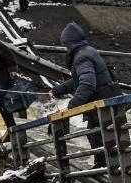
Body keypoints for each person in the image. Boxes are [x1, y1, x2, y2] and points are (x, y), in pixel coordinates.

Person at [48, 22, 120, 167]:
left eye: (65, 44)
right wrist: (57, 90)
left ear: (69, 43)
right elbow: (78, 80)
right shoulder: (88, 50)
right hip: (108, 98)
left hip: (101, 103)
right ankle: (107, 166)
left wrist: (71, 106)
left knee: (97, 135)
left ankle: (106, 169)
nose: (65, 48)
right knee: (98, 134)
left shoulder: (81, 57)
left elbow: (87, 84)